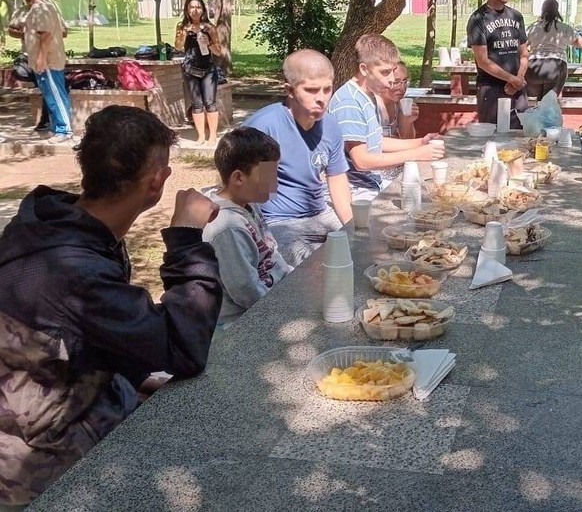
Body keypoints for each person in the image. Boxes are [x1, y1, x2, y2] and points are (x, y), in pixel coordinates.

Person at [0, 105, 222, 506]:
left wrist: (125, 376)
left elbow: (76, 335)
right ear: (158, 180)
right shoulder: (75, 269)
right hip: (41, 458)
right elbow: (183, 348)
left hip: (59, 407)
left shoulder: (54, 223)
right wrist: (188, 239)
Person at [244, 50, 353, 269]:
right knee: (314, 267)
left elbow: (337, 179)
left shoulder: (330, 127)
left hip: (321, 214)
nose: (321, 98)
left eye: (327, 89)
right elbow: (256, 193)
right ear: (290, 90)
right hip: (279, 222)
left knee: (360, 251)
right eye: (311, 90)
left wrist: (353, 227)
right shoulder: (265, 129)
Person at [329, 34, 444, 200]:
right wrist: (417, 153)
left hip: (372, 183)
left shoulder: (367, 94)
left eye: (392, 72)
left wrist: (420, 142)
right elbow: (362, 161)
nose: (391, 80)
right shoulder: (349, 102)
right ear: (364, 69)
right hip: (356, 192)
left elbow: (376, 141)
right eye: (385, 72)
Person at [203, 128, 290, 326]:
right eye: (268, 176)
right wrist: (285, 309)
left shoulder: (249, 204)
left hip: (271, 298)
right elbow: (246, 291)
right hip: (241, 321)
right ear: (239, 178)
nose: (274, 184)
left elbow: (272, 253)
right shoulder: (226, 226)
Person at [7, 0, 72, 143]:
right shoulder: (42, 6)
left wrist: (42, 58)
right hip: (42, 60)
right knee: (50, 95)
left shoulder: (42, 7)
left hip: (48, 61)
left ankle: (65, 130)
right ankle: (56, 127)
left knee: (56, 94)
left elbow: (47, 34)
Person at [467, 0, 528, 129]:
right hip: (491, 91)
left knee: (520, 137)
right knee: (492, 140)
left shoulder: (516, 17)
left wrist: (519, 79)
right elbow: (483, 61)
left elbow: (524, 54)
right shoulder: (478, 19)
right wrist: (511, 79)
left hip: (517, 90)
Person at [525, 0, 582, 98]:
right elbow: (580, 43)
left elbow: (523, 46)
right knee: (549, 106)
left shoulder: (532, 28)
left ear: (542, 10)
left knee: (533, 104)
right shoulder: (564, 28)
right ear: (556, 11)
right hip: (555, 67)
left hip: (533, 67)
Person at [174, 0, 223, 145]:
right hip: (190, 70)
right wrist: (184, 33)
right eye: (192, 7)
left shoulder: (210, 27)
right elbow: (177, 46)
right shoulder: (182, 26)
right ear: (187, 10)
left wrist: (208, 42)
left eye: (198, 7)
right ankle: (201, 135)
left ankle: (212, 135)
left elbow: (218, 51)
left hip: (208, 69)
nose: (195, 10)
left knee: (210, 103)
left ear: (203, 9)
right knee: (196, 104)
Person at [376, 60, 418, 139]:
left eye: (405, 81)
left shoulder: (399, 105)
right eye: (396, 82)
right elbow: (374, 143)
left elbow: (408, 139)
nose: (402, 88)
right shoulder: (372, 104)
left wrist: (408, 122)